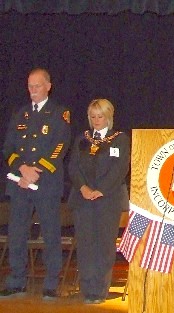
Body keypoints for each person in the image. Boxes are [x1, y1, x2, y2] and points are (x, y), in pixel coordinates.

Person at [0, 68, 71, 299]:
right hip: (20, 183)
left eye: (37, 86)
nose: (32, 90)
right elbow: (8, 147)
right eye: (30, 86)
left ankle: (51, 282)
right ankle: (16, 279)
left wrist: (35, 171)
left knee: (50, 232)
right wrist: (21, 168)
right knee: (17, 232)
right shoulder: (20, 114)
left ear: (48, 86)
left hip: (46, 183)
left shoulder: (59, 113)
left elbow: (60, 147)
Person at [68, 98, 130, 304]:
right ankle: (87, 289)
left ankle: (100, 290)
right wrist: (84, 188)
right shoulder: (82, 139)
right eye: (93, 116)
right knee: (86, 245)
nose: (96, 120)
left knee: (104, 246)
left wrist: (101, 190)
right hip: (83, 199)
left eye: (100, 116)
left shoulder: (119, 139)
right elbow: (73, 168)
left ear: (109, 117)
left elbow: (120, 169)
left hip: (108, 200)